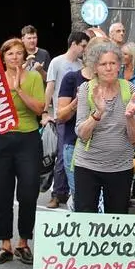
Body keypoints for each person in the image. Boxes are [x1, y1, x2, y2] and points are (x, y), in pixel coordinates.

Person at [0, 37, 45, 265]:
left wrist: (18, 90)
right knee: (1, 193)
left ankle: (24, 242)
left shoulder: (33, 78)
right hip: (0, 140)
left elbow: (39, 108)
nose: (15, 57)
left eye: (19, 53)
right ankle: (5, 244)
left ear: (24, 56)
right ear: (3, 57)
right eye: (10, 53)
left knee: (29, 193)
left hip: (28, 140)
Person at [74, 41, 135, 213]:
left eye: (113, 63)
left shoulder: (130, 89)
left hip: (120, 167)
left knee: (117, 219)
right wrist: (98, 112)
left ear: (119, 65)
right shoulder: (86, 89)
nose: (109, 68)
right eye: (103, 64)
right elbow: (82, 134)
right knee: (85, 218)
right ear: (95, 68)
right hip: (88, 166)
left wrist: (130, 118)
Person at [56, 36, 108, 207]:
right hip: (75, 147)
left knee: (102, 202)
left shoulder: (112, 82)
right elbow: (60, 116)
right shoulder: (72, 78)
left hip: (106, 149)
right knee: (82, 200)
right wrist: (76, 103)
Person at [46, 31, 89, 208]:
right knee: (63, 156)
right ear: (74, 44)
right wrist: (45, 111)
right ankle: (57, 194)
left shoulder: (81, 66)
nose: (85, 50)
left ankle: (71, 191)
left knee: (76, 156)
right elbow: (50, 87)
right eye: (83, 46)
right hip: (62, 115)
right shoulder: (57, 62)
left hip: (81, 117)